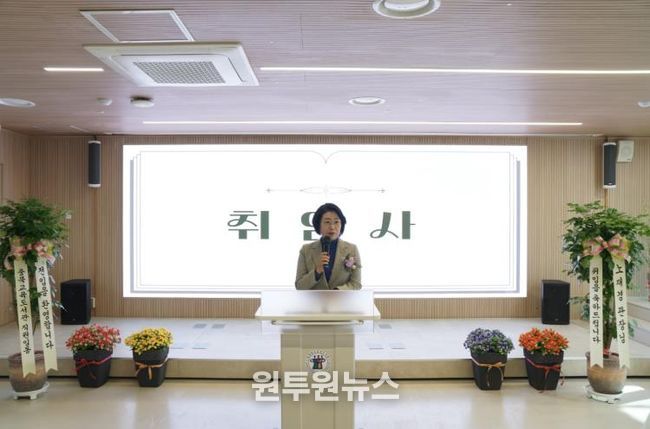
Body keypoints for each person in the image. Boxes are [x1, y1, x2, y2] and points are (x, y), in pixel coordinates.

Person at [295, 203, 362, 290]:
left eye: (336, 222)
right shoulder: (306, 250)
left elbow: (356, 284)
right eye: (327, 222)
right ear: (318, 225)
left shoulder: (352, 249)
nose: (332, 227)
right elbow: (299, 286)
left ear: (341, 225)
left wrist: (337, 292)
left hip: (341, 298)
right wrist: (317, 271)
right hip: (314, 299)